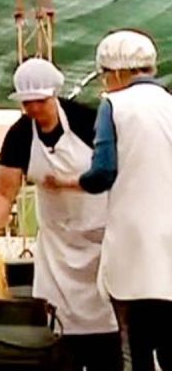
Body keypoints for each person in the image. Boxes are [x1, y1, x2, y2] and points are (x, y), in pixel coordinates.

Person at [0, 58, 121, 370]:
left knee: (106, 336)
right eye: (27, 103)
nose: (34, 109)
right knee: (58, 334)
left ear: (54, 93)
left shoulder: (88, 121)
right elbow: (3, 191)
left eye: (39, 101)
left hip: (101, 243)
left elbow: (113, 173)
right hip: (57, 250)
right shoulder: (20, 135)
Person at [44, 30, 172, 371]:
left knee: (135, 350)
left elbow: (102, 173)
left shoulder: (114, 106)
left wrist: (68, 182)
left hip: (133, 252)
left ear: (116, 72)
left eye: (104, 75)